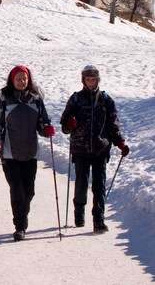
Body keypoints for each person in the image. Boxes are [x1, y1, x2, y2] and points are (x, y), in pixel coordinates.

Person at [60, 65, 130, 234]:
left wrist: (119, 142)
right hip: (80, 149)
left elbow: (113, 124)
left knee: (99, 185)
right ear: (83, 80)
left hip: (101, 148)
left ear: (98, 80)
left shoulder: (106, 100)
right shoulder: (76, 99)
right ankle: (79, 211)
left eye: (93, 79)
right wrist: (69, 124)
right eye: (88, 79)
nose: (91, 82)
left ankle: (99, 219)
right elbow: (64, 124)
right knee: (81, 183)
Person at [0, 66, 55, 241]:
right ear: (12, 80)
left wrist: (46, 129)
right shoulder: (5, 100)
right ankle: (20, 226)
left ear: (28, 80)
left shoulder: (36, 100)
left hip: (30, 153)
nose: (21, 81)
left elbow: (42, 123)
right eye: (18, 78)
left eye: (24, 78)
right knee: (17, 190)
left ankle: (21, 218)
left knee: (29, 192)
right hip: (10, 154)